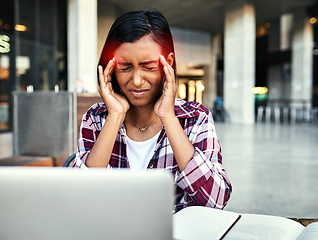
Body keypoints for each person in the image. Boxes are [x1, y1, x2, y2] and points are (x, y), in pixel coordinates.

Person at [73, 8, 231, 212]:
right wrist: (115, 116)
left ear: (169, 63)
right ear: (110, 68)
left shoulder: (196, 118)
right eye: (125, 67)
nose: (136, 81)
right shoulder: (96, 118)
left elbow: (215, 201)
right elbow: (78, 196)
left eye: (148, 66)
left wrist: (169, 118)